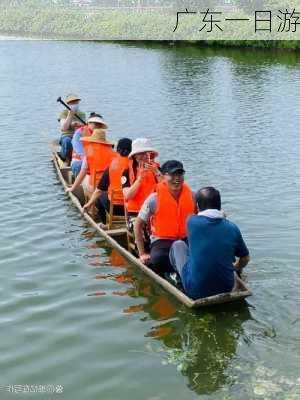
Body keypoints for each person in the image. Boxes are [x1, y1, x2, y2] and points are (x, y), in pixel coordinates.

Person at [169, 187, 250, 299]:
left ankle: (179, 279)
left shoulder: (191, 222)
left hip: (196, 290)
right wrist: (235, 268)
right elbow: (245, 258)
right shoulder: (232, 227)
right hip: (227, 287)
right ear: (219, 205)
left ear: (197, 206)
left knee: (178, 245)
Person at [134, 160, 196, 276]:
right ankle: (176, 274)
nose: (177, 178)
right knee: (157, 259)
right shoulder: (154, 198)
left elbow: (201, 217)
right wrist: (142, 253)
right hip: (163, 240)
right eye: (172, 175)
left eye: (180, 174)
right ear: (163, 176)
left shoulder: (192, 195)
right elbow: (138, 225)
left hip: (185, 238)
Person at [83, 138, 132, 225]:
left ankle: (104, 223)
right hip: (132, 208)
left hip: (116, 208)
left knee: (100, 197)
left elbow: (99, 190)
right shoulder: (135, 165)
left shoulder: (112, 165)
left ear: (118, 150)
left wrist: (89, 203)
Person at [122, 138, 161, 227]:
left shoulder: (158, 170)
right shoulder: (127, 172)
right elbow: (128, 195)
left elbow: (168, 189)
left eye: (148, 153)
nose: (145, 156)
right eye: (141, 154)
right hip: (136, 213)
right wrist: (139, 179)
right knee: (144, 228)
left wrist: (157, 173)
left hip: (156, 211)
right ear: (135, 156)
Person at [67, 128, 115, 196]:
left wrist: (72, 188)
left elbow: (82, 173)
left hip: (95, 185)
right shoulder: (113, 153)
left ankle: (88, 198)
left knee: (83, 178)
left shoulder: (89, 153)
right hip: (109, 185)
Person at [58, 94, 86, 165]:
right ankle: (65, 158)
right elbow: (64, 128)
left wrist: (79, 125)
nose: (74, 104)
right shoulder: (64, 113)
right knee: (67, 141)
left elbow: (85, 126)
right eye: (72, 103)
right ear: (68, 104)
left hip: (79, 136)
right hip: (67, 136)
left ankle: (82, 160)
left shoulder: (82, 113)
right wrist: (70, 115)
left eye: (76, 102)